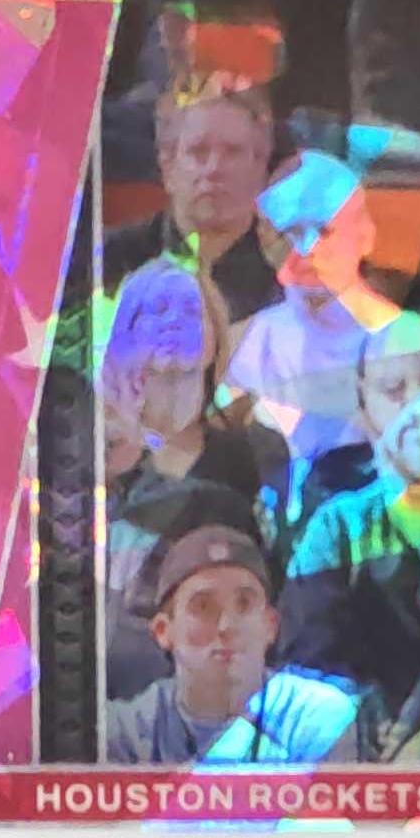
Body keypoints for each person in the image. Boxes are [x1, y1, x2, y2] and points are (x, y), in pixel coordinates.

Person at [276, 311, 420, 753]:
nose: (417, 405)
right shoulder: (338, 528)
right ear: (364, 408)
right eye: (393, 388)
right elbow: (308, 664)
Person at [98, 257, 295, 699]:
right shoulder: (97, 456)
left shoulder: (256, 452)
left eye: (190, 311)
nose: (173, 322)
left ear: (213, 338)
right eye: (155, 311)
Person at [104, 524, 362, 766]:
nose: (226, 626)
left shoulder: (318, 716)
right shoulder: (125, 730)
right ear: (163, 630)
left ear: (270, 625)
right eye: (203, 606)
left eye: (244, 604)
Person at [223, 152, 402, 496]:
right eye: (290, 233)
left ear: (364, 234)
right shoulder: (241, 349)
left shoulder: (412, 345)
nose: (306, 250)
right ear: (265, 241)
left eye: (323, 230)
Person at [101, 81, 282, 325]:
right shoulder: (105, 264)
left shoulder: (290, 282)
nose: (214, 169)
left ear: (260, 169)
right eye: (198, 152)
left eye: (232, 152)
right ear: (168, 168)